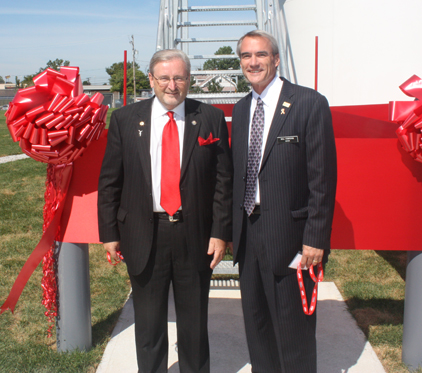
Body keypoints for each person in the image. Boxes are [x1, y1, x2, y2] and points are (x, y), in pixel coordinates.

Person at [97, 49, 232, 373]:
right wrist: (109, 233)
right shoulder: (126, 120)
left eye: (180, 77)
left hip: (195, 234)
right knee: (148, 325)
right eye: (165, 78)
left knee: (194, 325)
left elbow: (223, 181)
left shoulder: (210, 118)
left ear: (189, 79)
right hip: (144, 234)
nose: (172, 85)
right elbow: (110, 182)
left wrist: (220, 232)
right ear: (151, 80)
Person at [231, 30, 337, 373]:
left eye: (260, 54)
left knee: (294, 330)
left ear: (276, 59)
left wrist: (315, 238)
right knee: (257, 324)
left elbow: (323, 179)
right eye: (246, 56)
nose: (253, 62)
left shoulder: (308, 103)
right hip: (249, 233)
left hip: (292, 236)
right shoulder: (242, 108)